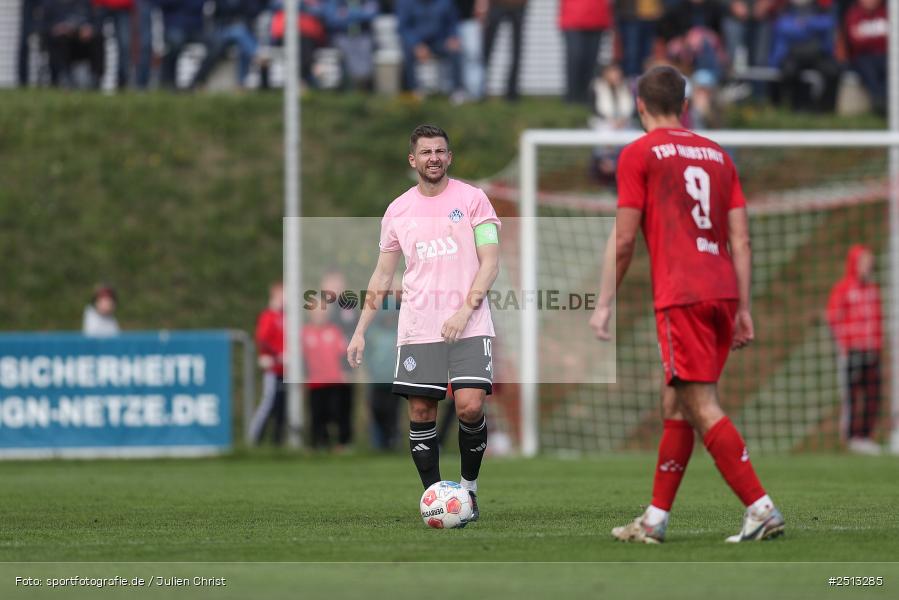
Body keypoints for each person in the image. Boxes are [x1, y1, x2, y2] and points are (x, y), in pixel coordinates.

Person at [590, 66, 784, 543]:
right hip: (721, 290)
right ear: (686, 105)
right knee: (674, 403)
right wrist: (742, 307)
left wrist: (603, 303)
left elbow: (623, 239)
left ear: (639, 105)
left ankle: (761, 508)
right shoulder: (718, 155)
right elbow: (741, 239)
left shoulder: (638, 153)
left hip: (684, 294)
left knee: (699, 403)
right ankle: (655, 520)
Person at [347, 124, 500, 523]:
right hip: (419, 327)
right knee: (420, 413)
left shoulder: (473, 200)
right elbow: (382, 276)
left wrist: (465, 311)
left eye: (441, 151)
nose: (434, 158)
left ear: (449, 157)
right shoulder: (398, 210)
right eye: (426, 152)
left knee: (469, 407)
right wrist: (360, 330)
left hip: (469, 323)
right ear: (412, 160)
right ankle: (435, 497)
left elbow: (491, 262)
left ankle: (467, 490)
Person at [826, 245, 883, 455]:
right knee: (852, 394)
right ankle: (851, 437)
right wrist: (844, 343)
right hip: (852, 350)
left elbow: (877, 320)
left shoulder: (873, 290)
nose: (868, 266)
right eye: (864, 262)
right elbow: (833, 317)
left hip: (871, 349)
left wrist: (878, 343)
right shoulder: (844, 289)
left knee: (873, 393)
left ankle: (866, 436)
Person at [769, 0, 840, 112]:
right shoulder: (785, 8)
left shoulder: (819, 7)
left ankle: (825, 109)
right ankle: (797, 106)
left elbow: (828, 24)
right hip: (792, 53)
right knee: (789, 71)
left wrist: (805, 23)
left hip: (817, 53)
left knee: (833, 71)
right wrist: (810, 29)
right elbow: (783, 28)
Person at [304, 296, 353, 452]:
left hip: (334, 381)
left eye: (323, 311)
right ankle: (318, 444)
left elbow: (343, 354)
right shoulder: (305, 333)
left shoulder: (335, 331)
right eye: (317, 311)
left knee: (338, 413)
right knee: (317, 414)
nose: (320, 314)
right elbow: (301, 358)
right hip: (315, 382)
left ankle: (342, 444)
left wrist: (346, 372)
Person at [395, 0, 465, 100]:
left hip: (439, 41)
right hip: (417, 42)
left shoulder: (446, 2)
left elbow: (452, 23)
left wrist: (453, 37)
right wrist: (416, 44)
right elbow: (403, 28)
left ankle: (457, 90)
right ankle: (414, 89)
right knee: (408, 51)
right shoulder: (405, 3)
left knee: (455, 49)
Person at [191, 0, 265, 90]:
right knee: (239, 32)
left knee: (242, 43)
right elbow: (214, 17)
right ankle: (256, 54)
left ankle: (241, 84)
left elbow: (253, 12)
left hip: (241, 34)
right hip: (221, 31)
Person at [249, 281, 287, 445]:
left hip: (285, 370)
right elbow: (263, 339)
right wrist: (277, 355)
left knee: (282, 408)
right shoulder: (269, 316)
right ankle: (254, 439)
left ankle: (277, 442)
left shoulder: (286, 317)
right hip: (273, 369)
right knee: (268, 403)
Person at [41, 0, 105, 89]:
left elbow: (96, 22)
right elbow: (44, 27)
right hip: (62, 45)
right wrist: (58, 29)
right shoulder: (50, 4)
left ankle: (95, 79)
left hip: (82, 42)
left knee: (97, 38)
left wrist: (89, 29)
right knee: (61, 40)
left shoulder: (85, 3)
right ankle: (63, 78)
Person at [559, 0, 612, 104]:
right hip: (573, 17)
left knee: (591, 59)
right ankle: (572, 95)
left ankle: (586, 95)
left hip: (597, 16)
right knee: (575, 58)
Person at [844, 0, 887, 116]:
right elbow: (856, 42)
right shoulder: (854, 14)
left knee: (889, 69)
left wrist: (868, 38)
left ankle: (888, 100)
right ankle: (880, 101)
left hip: (884, 55)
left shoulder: (886, 13)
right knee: (869, 69)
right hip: (863, 57)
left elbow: (890, 41)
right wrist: (877, 38)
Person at [481, 0, 527, 101]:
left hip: (518, 5)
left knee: (516, 49)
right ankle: (480, 88)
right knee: (487, 47)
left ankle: (512, 92)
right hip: (497, 4)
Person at [93, 0, 135, 88]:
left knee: (124, 44)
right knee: (96, 40)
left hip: (123, 5)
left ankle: (123, 82)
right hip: (101, 4)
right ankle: (95, 78)